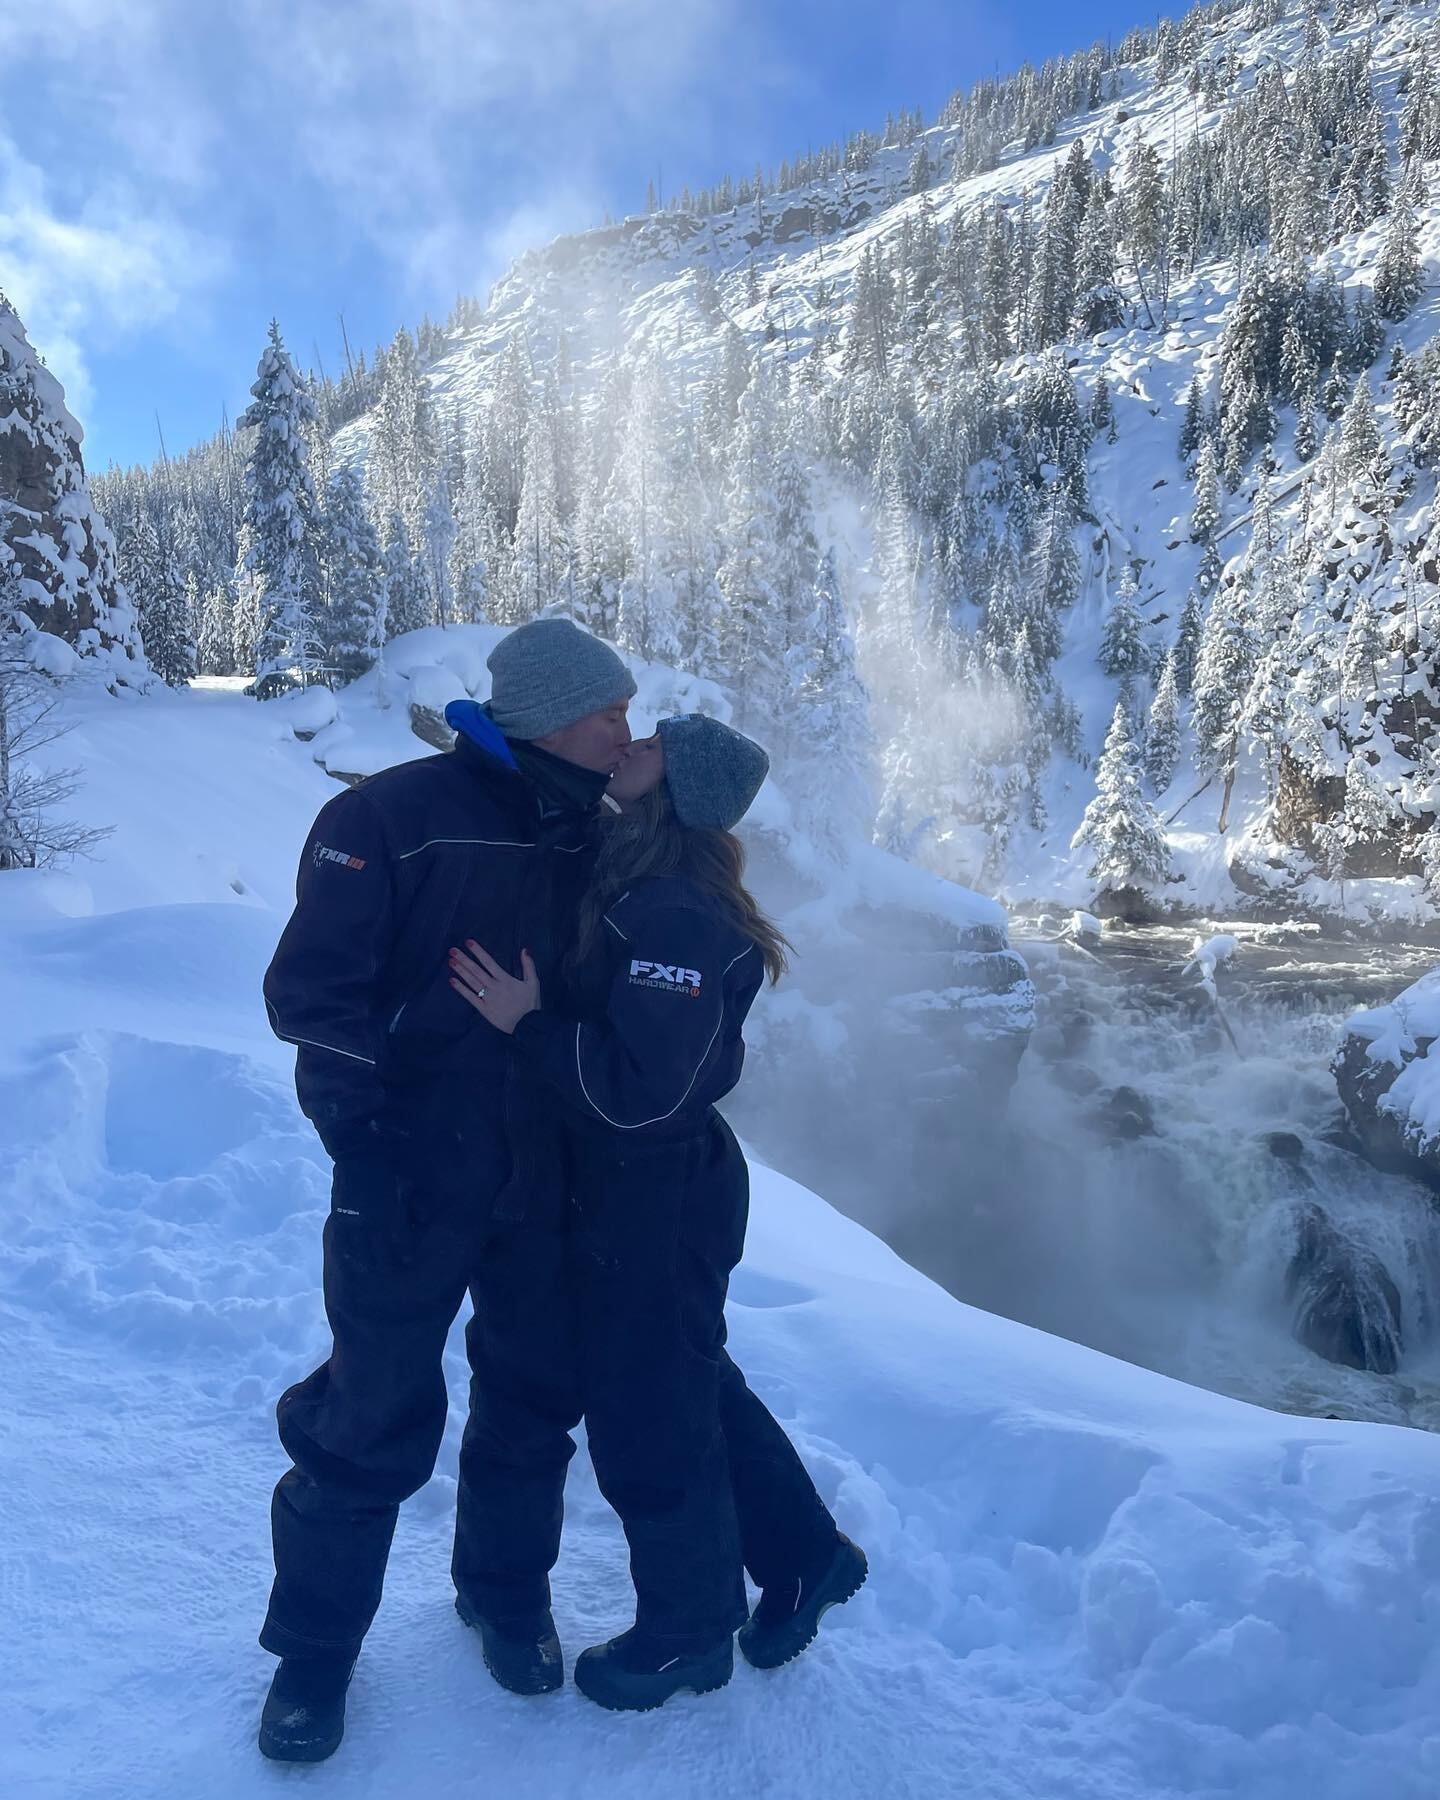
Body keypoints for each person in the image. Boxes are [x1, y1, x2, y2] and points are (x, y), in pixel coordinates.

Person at [256, 618, 636, 1763]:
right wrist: (364, 1139)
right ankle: (315, 1655)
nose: (627, 733)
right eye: (610, 712)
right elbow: (313, 993)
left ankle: (504, 1597)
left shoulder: (603, 834)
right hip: (409, 1172)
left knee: (531, 1399)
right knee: (369, 1409)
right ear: (551, 717)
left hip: (545, 1174)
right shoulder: (389, 817)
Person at [450, 714, 867, 1714]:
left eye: (655, 750)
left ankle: (690, 1633)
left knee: (649, 1413)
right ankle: (805, 1554)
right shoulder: (639, 873)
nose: (631, 746)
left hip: (656, 1194)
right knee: (685, 1377)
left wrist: (528, 1026)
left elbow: (641, 1091)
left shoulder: (676, 914)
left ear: (682, 791)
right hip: (628, 1188)